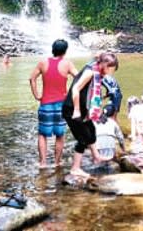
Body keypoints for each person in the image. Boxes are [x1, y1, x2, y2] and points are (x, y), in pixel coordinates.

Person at [62, 52, 119, 177]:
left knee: (91, 130)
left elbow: (98, 55)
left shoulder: (96, 65)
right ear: (105, 65)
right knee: (83, 138)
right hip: (72, 109)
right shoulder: (90, 72)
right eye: (111, 69)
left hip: (83, 109)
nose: (111, 72)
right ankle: (75, 168)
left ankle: (96, 157)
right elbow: (75, 89)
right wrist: (76, 110)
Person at [29, 39, 78, 168]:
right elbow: (79, 78)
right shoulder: (67, 64)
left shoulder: (43, 62)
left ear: (53, 49)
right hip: (61, 105)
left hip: (45, 104)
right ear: (65, 51)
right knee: (60, 135)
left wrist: (36, 95)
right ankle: (57, 163)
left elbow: (32, 78)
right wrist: (72, 94)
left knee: (42, 134)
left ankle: (43, 163)